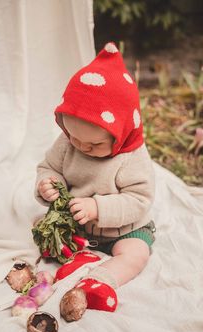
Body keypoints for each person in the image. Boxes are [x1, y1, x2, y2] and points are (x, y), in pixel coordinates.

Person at [35, 42, 156, 318]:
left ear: (122, 133)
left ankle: (100, 280)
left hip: (124, 228)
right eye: (73, 136)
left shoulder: (131, 157)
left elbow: (139, 200)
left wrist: (97, 208)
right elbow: (49, 167)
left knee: (137, 253)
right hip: (77, 225)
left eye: (94, 144)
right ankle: (80, 256)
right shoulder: (68, 143)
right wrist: (48, 184)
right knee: (43, 234)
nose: (81, 147)